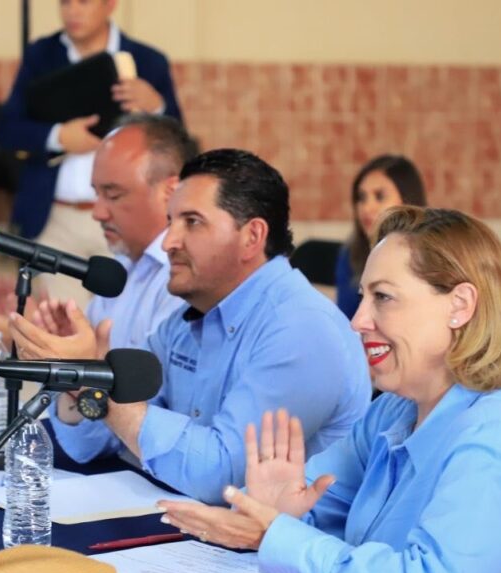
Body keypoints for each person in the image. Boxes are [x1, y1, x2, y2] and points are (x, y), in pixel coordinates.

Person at [159, 206, 501, 573]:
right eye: (363, 296)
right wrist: (280, 509)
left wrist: (278, 533)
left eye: (383, 297)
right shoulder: (394, 410)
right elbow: (316, 509)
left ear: (460, 305)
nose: (357, 320)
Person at [31, 149, 372, 504]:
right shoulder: (187, 320)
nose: (168, 242)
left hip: (277, 538)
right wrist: (80, 376)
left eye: (192, 222)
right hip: (191, 524)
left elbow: (222, 479)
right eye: (170, 222)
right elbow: (89, 445)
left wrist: (99, 394)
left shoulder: (302, 330)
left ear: (252, 236)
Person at [0, 113, 196, 354]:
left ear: (170, 191)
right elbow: (95, 352)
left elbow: (152, 378)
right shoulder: (123, 265)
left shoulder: (184, 275)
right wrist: (45, 337)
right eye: (96, 194)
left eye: (113, 195)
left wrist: (39, 348)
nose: (98, 213)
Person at [0, 0, 182, 306]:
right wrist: (58, 136)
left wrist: (158, 106)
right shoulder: (41, 55)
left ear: (109, 5)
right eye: (65, 2)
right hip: (57, 217)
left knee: (122, 319)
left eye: (83, 2)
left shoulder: (148, 60)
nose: (72, 11)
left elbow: (178, 142)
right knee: (62, 320)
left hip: (127, 219)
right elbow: (7, 128)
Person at [335, 155, 426, 318]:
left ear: (407, 201)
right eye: (361, 198)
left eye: (380, 196)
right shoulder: (351, 254)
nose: (366, 208)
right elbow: (345, 321)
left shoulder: (429, 257)